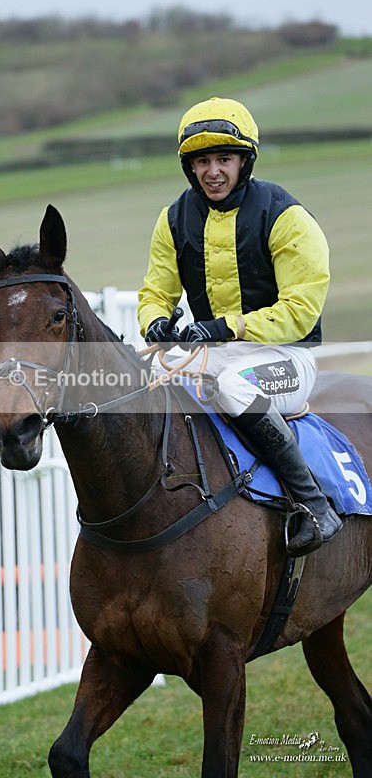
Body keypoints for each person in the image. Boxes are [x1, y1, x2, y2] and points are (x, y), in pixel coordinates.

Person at [137, 96, 342, 557]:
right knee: (139, 383)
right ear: (190, 168)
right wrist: (155, 322)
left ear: (244, 161)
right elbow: (155, 291)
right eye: (202, 161)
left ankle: (314, 504)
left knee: (230, 384)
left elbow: (300, 309)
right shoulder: (173, 219)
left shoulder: (285, 215)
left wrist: (226, 327)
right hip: (211, 354)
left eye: (223, 159)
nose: (213, 171)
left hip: (287, 358)